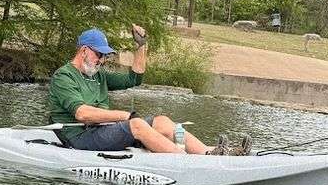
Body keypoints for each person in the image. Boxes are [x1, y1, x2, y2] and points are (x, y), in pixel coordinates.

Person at [47, 25, 250, 155]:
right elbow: (82, 113)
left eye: (105, 56)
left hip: (101, 131)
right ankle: (184, 161)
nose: (102, 60)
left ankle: (208, 153)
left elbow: (134, 78)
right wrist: (126, 115)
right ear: (84, 51)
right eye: (100, 55)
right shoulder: (64, 76)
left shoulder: (98, 75)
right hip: (79, 138)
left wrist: (141, 46)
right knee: (136, 124)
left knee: (161, 121)